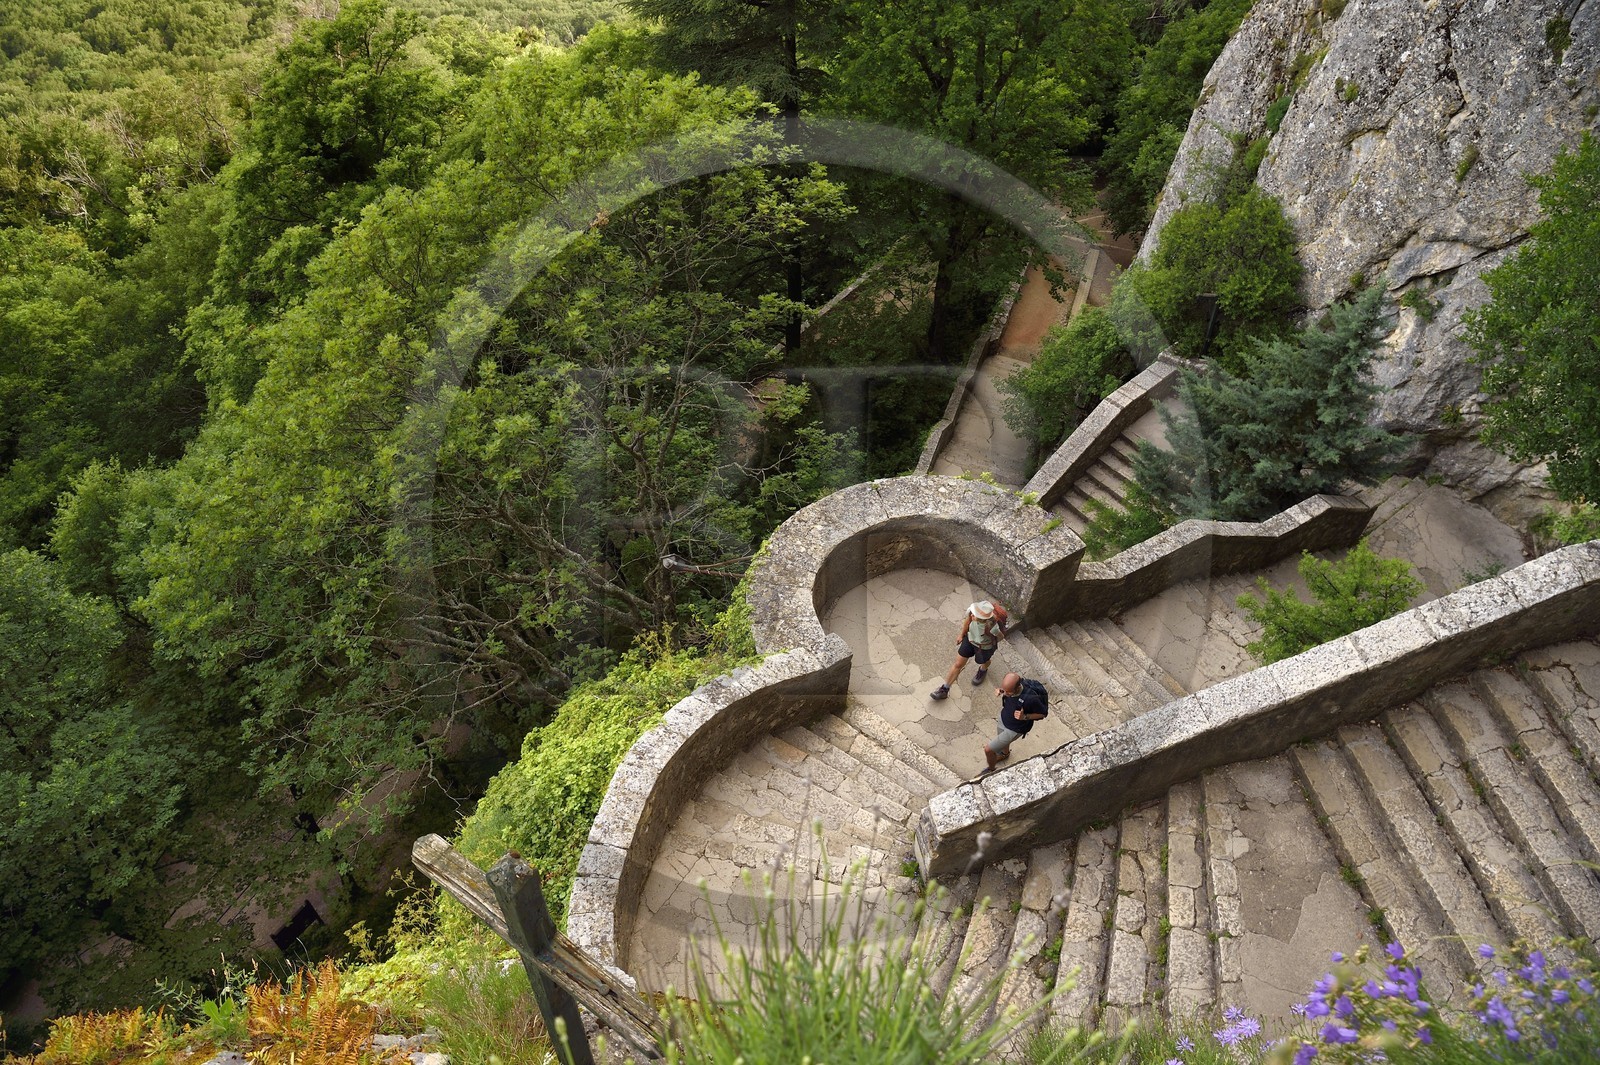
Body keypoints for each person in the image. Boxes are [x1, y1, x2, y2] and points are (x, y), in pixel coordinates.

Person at [929, 599, 1009, 700]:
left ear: (983, 619)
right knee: (958, 664)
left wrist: (989, 644)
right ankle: (944, 689)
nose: (972, 615)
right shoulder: (972, 614)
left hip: (984, 648)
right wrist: (962, 635)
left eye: (975, 616)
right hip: (970, 641)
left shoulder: (993, 626)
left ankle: (983, 670)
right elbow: (967, 622)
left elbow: (1000, 637)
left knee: (985, 661)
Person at [981, 672, 1049, 774]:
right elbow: (1005, 690)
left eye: (1008, 692)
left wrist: (1025, 717)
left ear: (1017, 688)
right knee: (1003, 742)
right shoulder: (1009, 689)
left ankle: (991, 769)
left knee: (988, 750)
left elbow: (1043, 714)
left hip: (1014, 729)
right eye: (1004, 690)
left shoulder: (1031, 698)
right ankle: (1005, 754)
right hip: (1004, 718)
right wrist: (1001, 691)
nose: (1005, 693)